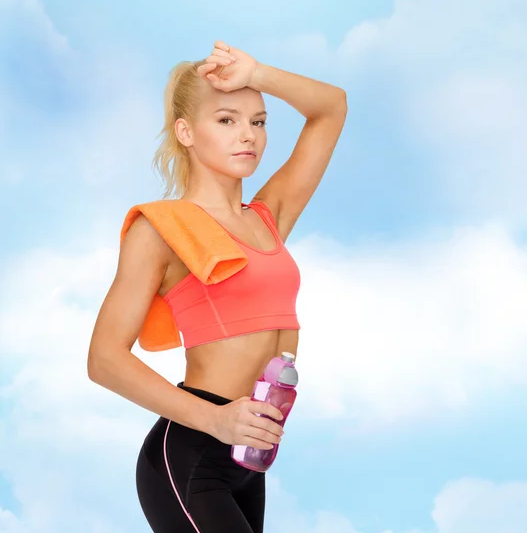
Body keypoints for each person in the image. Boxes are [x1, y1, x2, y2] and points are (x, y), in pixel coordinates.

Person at [87, 40, 347, 533]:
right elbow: (103, 359)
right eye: (226, 120)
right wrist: (215, 422)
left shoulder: (268, 219)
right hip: (192, 449)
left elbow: (332, 107)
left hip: (251, 456)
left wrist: (257, 73)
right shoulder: (161, 229)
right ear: (185, 131)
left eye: (259, 121)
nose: (247, 135)